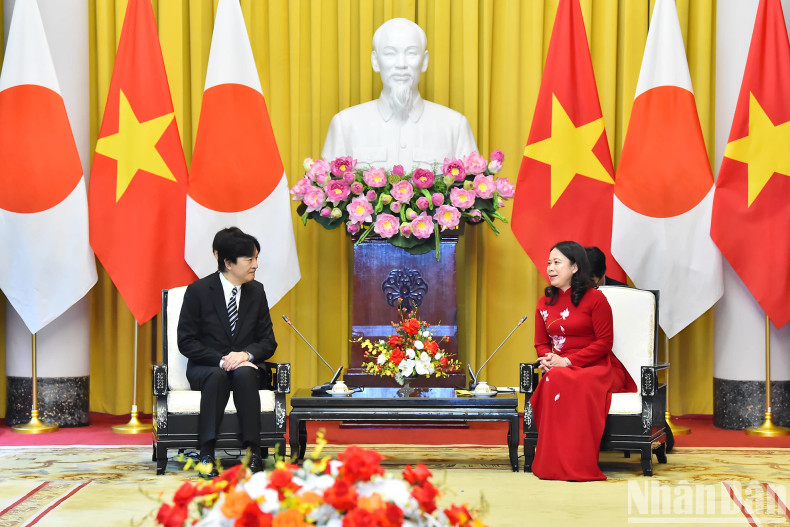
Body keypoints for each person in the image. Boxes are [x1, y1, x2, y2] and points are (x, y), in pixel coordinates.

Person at [531, 241, 636, 481]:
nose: (550, 268)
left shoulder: (596, 300)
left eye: (557, 263)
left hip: (596, 365)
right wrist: (547, 359)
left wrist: (566, 362)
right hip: (559, 366)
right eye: (549, 263)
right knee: (554, 378)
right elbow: (541, 342)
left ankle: (577, 464)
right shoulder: (543, 303)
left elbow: (603, 343)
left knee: (564, 378)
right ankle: (551, 464)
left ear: (575, 267)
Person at [178, 227, 277, 477]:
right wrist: (222, 361)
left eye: (256, 258)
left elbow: (268, 342)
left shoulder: (257, 292)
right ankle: (206, 453)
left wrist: (244, 355)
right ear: (229, 263)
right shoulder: (198, 291)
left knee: (243, 374)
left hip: (247, 368)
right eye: (250, 259)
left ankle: (253, 452)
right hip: (207, 366)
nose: (256, 265)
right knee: (217, 376)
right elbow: (186, 342)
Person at [321, 17, 477, 170]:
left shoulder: (455, 126)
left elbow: (473, 191)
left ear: (424, 61)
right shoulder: (345, 125)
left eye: (411, 53)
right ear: (375, 61)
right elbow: (327, 189)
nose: (401, 64)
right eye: (390, 54)